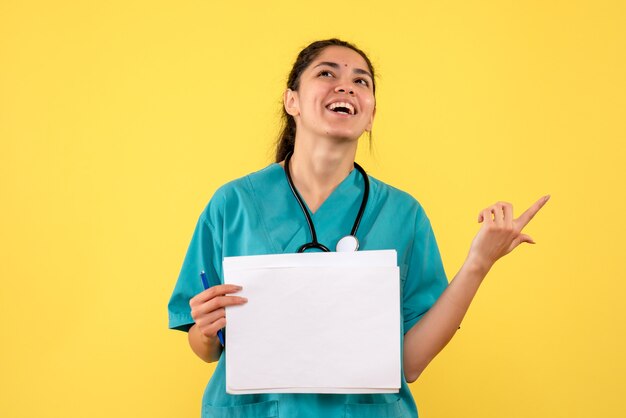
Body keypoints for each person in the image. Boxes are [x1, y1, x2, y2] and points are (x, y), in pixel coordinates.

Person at [168, 38, 549, 418]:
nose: (346, 85)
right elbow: (206, 348)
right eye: (326, 73)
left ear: (370, 117)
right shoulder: (233, 204)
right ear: (292, 101)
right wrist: (204, 330)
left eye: (361, 81)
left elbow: (411, 364)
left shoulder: (403, 214)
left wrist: (479, 262)